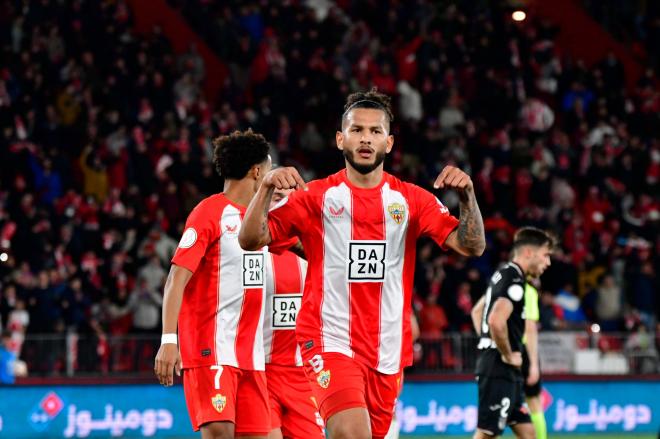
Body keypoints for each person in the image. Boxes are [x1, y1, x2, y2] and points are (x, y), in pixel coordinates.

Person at [239, 89, 485, 439]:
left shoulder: (411, 200)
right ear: (341, 139)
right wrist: (265, 190)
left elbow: (471, 246)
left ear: (389, 142)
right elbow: (250, 240)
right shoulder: (315, 198)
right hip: (329, 340)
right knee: (352, 433)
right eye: (357, 130)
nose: (366, 138)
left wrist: (468, 198)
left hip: (387, 350)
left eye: (375, 131)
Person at [154, 129, 295, 438]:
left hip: (252, 357)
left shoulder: (263, 222)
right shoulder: (209, 213)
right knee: (219, 433)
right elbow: (176, 279)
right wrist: (168, 340)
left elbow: (310, 244)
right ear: (258, 171)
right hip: (212, 351)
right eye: (269, 169)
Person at [470, 227, 553, 439]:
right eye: (545, 255)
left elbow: (477, 311)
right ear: (528, 253)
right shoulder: (514, 281)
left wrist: (487, 341)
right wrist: (505, 352)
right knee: (487, 433)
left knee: (528, 432)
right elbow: (496, 321)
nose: (548, 263)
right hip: (501, 366)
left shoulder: (502, 274)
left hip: (507, 370)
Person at [264, 187, 325, 439]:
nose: (285, 206)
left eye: (290, 200)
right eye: (277, 199)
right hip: (259, 370)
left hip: (303, 373)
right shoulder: (249, 246)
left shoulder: (316, 249)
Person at [520, 281, 547, 439]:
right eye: (544, 256)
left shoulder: (499, 285)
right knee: (534, 401)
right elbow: (530, 327)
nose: (547, 262)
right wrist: (534, 365)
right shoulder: (527, 290)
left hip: (503, 349)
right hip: (524, 349)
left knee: (499, 405)